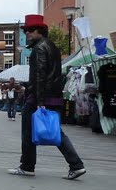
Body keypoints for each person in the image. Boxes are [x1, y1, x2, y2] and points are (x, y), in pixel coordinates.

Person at [9, 14, 86, 179]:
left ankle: (27, 166)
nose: (27, 33)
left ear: (40, 31)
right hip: (53, 96)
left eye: (30, 30)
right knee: (56, 131)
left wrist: (38, 100)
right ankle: (76, 164)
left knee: (28, 131)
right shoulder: (52, 46)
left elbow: (40, 75)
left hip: (39, 97)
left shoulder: (39, 48)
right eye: (26, 30)